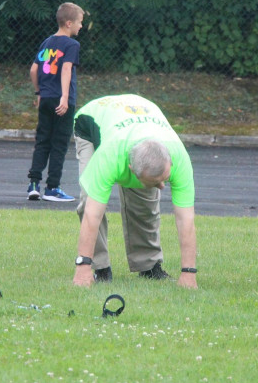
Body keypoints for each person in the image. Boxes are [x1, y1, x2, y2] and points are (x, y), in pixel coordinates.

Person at [71, 94, 197, 289]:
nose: (163, 186)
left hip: (138, 114)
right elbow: (92, 214)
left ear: (169, 162)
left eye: (164, 179)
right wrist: (82, 266)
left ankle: (148, 266)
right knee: (90, 200)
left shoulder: (179, 158)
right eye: (157, 182)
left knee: (145, 202)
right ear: (130, 169)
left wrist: (188, 273)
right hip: (91, 121)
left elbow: (185, 219)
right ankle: (100, 268)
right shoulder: (111, 156)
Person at [27, 2, 84, 202]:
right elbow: (66, 69)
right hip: (61, 101)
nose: (81, 26)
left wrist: (39, 92)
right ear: (69, 23)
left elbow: (34, 70)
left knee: (42, 141)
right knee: (59, 143)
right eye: (79, 22)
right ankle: (52, 188)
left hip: (46, 99)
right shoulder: (72, 45)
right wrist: (65, 97)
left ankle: (33, 184)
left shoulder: (46, 43)